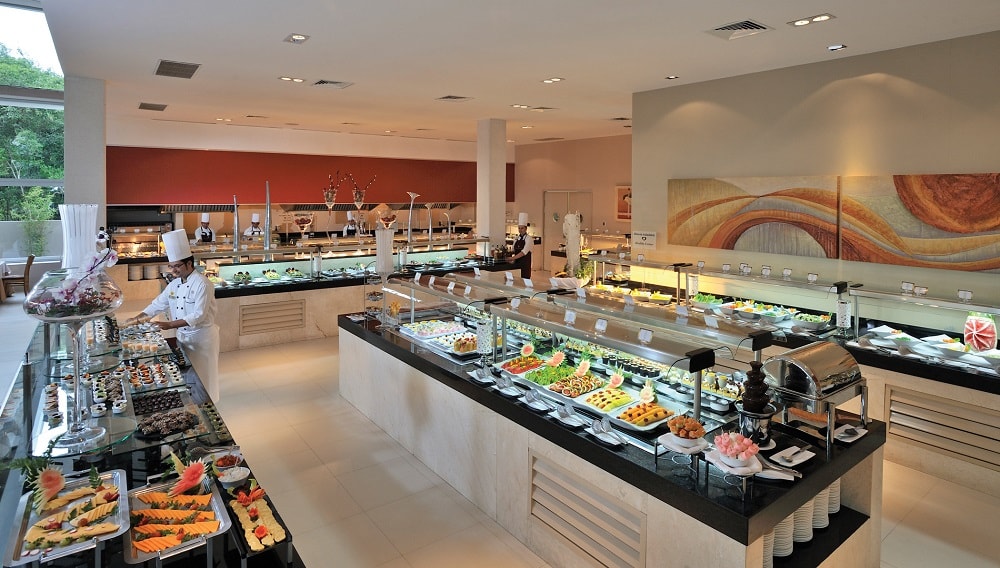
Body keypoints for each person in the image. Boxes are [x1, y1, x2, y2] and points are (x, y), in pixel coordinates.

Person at [127, 229, 221, 402]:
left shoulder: (203, 284)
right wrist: (137, 318)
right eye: (171, 266)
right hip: (183, 337)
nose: (173, 270)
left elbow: (198, 316)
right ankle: (193, 406)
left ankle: (208, 410)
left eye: (177, 266)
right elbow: (157, 304)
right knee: (186, 377)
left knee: (204, 380)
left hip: (202, 339)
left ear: (189, 264)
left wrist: (169, 325)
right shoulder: (174, 284)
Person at [511, 212, 533, 279]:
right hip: (517, 264)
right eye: (519, 228)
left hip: (525, 264)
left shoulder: (529, 239)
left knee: (525, 281)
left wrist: (513, 258)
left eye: (522, 228)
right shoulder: (516, 238)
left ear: (526, 228)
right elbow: (513, 250)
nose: (520, 230)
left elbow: (523, 252)